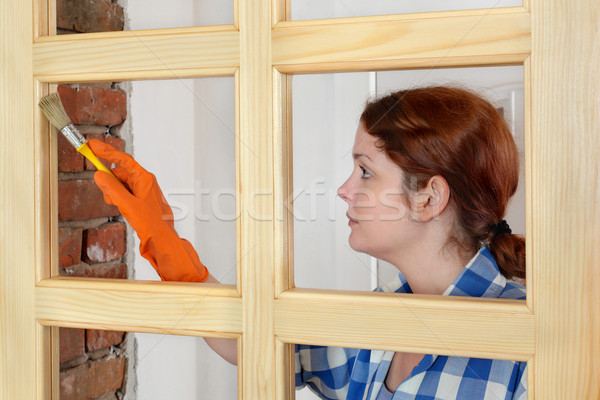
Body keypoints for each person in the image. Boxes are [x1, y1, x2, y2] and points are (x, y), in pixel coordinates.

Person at [90, 85, 527, 399]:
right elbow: (257, 342)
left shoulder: (530, 349)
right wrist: (164, 240)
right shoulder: (377, 319)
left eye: (366, 171)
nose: (343, 189)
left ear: (429, 197)